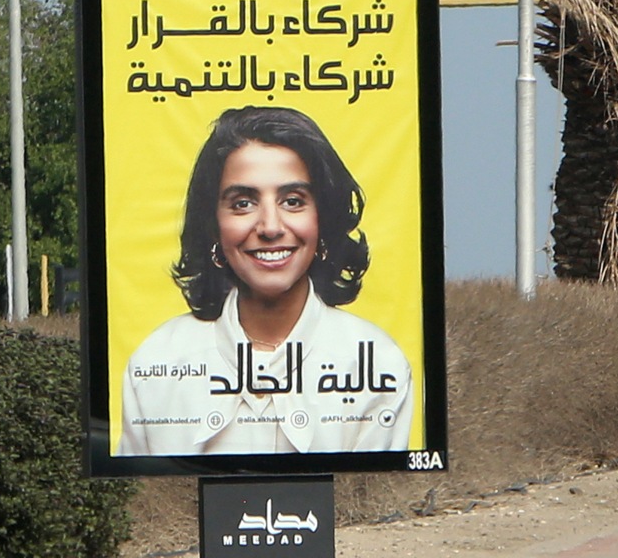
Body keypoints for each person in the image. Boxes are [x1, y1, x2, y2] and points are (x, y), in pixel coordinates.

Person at [118, 107, 412, 455]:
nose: (270, 227)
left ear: (323, 218)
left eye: (293, 201)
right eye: (243, 203)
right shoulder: (156, 362)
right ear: (213, 225)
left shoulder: (377, 363)